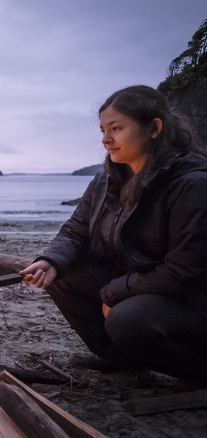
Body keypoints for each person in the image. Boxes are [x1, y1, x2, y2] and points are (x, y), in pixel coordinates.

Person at [20, 85, 207, 385]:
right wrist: (51, 261)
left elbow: (183, 273)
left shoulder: (191, 185)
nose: (106, 139)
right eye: (103, 130)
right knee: (61, 272)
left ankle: (196, 371)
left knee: (126, 319)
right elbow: (75, 230)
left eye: (116, 128)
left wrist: (115, 292)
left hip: (190, 300)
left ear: (154, 128)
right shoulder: (106, 179)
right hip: (141, 283)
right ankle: (121, 361)